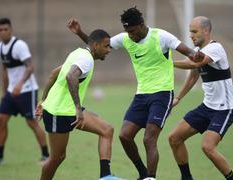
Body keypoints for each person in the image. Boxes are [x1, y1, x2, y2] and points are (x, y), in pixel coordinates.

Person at [67, 7, 203, 180]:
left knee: (149, 138)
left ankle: (150, 178)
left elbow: (187, 51)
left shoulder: (161, 36)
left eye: (132, 31)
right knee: (125, 136)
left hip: (162, 94)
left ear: (141, 25)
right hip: (141, 95)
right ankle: (143, 173)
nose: (129, 35)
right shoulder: (125, 38)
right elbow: (98, 47)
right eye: (126, 31)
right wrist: (80, 33)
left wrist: (195, 55)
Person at [35, 29, 123, 180]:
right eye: (106, 46)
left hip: (69, 110)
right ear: (95, 46)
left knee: (107, 130)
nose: (109, 50)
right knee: (57, 158)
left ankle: (106, 176)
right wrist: (77, 108)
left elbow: (54, 74)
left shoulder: (78, 53)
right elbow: (70, 76)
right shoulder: (85, 59)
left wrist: (43, 100)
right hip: (59, 112)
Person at [168, 16, 233, 180]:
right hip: (207, 107)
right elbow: (193, 76)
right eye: (190, 31)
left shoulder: (215, 48)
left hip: (224, 109)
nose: (190, 35)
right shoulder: (198, 53)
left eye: (194, 31)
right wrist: (178, 98)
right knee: (174, 138)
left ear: (206, 31)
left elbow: (195, 64)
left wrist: (168, 62)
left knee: (207, 147)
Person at [0, 18, 49, 165]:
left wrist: (20, 84)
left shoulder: (19, 46)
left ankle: (46, 156)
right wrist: (3, 92)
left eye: (6, 29)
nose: (3, 32)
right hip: (10, 91)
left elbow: (30, 67)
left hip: (27, 90)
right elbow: (5, 70)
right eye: (0, 30)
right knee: (0, 120)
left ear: (11, 30)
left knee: (32, 122)